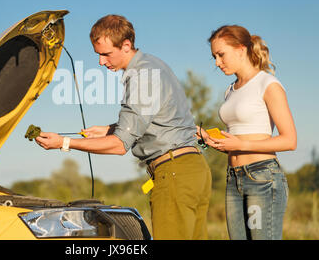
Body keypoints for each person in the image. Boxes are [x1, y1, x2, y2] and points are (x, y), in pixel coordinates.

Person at [35, 14, 212, 240]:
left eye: (106, 54)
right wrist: (110, 128)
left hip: (174, 173)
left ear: (126, 45)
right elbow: (154, 119)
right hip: (193, 171)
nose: (101, 62)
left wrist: (64, 143)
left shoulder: (141, 76)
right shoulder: (153, 65)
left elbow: (120, 146)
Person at [197, 25, 297, 240]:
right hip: (234, 178)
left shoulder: (268, 84)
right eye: (214, 56)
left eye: (221, 55)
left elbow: (289, 140)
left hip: (261, 177)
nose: (217, 62)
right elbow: (236, 140)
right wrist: (210, 139)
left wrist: (241, 145)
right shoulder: (230, 90)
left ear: (241, 49)